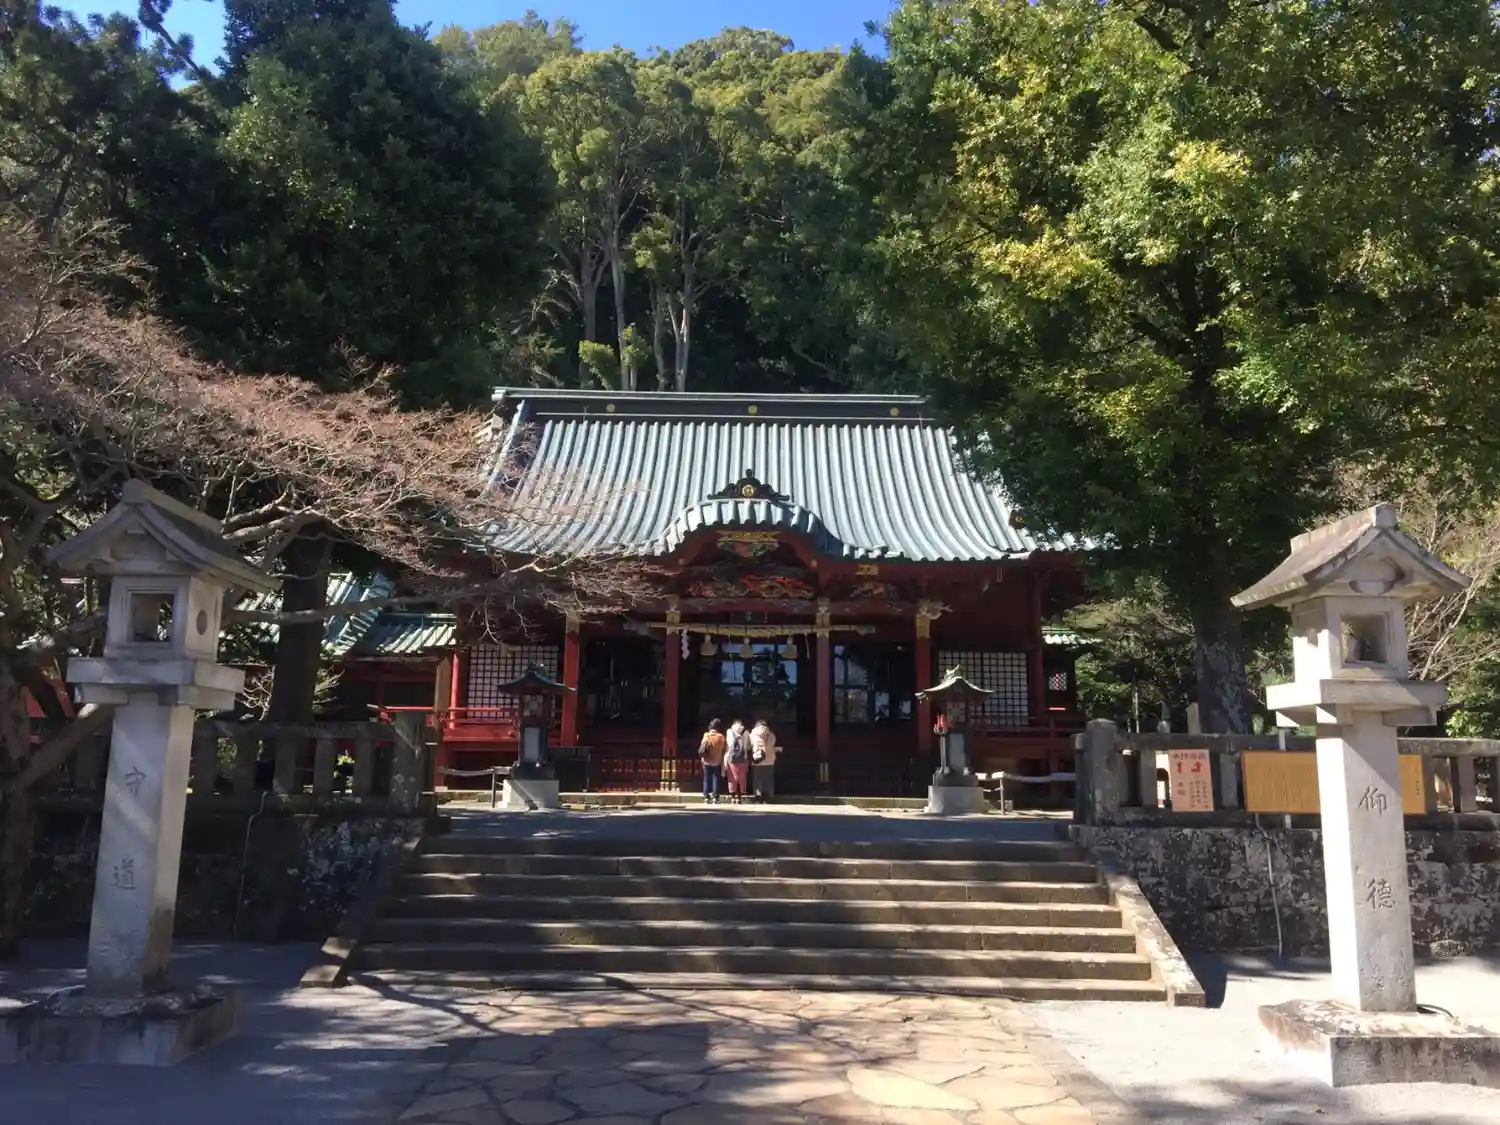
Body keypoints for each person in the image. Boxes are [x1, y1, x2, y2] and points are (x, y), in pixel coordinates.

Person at [698, 719, 726, 805]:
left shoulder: (706, 735)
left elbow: (702, 747)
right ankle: (715, 797)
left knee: (706, 778)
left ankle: (706, 796)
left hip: (706, 760)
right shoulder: (721, 737)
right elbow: (723, 748)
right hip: (717, 760)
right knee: (716, 778)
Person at [750, 718, 778, 803]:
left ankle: (758, 796)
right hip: (769, 760)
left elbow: (749, 745)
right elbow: (773, 744)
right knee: (768, 779)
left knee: (757, 779)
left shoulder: (752, 735)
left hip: (757, 760)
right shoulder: (771, 734)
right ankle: (767, 797)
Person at [724, 719, 751, 805]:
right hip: (743, 757)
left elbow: (728, 744)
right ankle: (739, 797)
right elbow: (748, 745)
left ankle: (733, 797)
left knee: (732, 777)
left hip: (731, 757)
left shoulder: (729, 731)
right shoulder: (746, 732)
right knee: (741, 776)